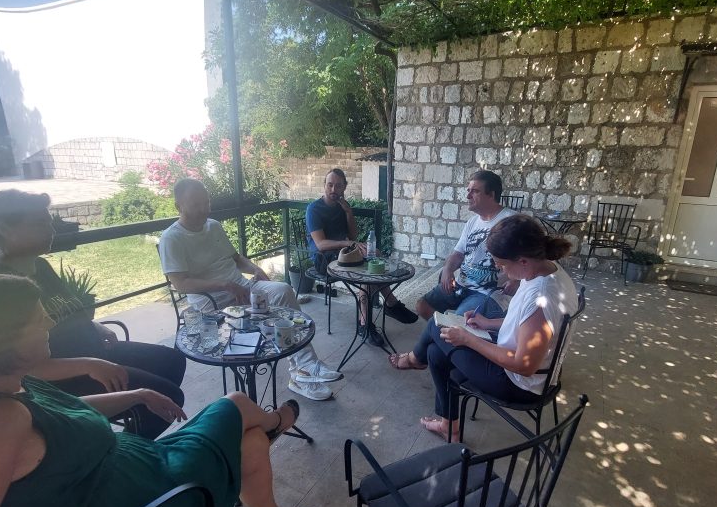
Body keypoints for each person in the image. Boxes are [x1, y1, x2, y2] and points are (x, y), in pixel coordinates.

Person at [0, 274, 323, 507]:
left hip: (140, 474)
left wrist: (136, 395)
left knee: (248, 440)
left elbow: (61, 416)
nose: (49, 322)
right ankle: (274, 423)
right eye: (37, 319)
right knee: (234, 404)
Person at [0, 189, 186, 440]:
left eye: (49, 222)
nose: (51, 230)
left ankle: (125, 430)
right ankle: (116, 448)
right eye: (40, 224)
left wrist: (94, 326)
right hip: (59, 379)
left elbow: (66, 309)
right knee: (171, 395)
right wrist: (90, 365)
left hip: (92, 352)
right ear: (4, 228)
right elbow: (25, 370)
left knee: (172, 361)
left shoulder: (38, 264)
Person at [389, 215, 578, 442]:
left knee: (435, 326)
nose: (499, 269)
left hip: (518, 383)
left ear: (522, 261)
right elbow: (523, 324)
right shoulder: (547, 270)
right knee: (435, 352)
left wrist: (469, 339)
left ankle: (414, 360)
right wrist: (488, 323)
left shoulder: (540, 298)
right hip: (526, 369)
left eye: (502, 264)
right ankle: (449, 426)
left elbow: (524, 365)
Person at [158, 178, 342, 401]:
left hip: (242, 289)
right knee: (263, 321)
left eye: (206, 202)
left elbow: (236, 259)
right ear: (179, 206)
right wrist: (225, 285)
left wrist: (255, 268)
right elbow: (180, 283)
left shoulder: (213, 226)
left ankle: (305, 368)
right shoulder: (172, 238)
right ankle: (294, 378)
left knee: (283, 290)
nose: (204, 209)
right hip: (212, 304)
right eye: (196, 204)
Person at [306, 168, 418, 346]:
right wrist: (348, 243)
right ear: (324, 185)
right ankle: (378, 312)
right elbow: (320, 244)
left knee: (374, 255)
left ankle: (376, 313)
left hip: (343, 253)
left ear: (344, 187)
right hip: (323, 260)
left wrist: (348, 212)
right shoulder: (314, 209)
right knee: (366, 263)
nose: (333, 189)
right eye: (330, 185)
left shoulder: (342, 207)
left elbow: (353, 235)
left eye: (338, 186)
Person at [414, 170, 518, 321]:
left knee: (461, 322)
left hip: (489, 293)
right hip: (461, 285)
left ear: (491, 194)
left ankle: (452, 333)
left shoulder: (512, 221)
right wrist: (448, 270)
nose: (468, 196)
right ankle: (443, 333)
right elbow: (458, 253)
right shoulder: (473, 222)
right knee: (423, 306)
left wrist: (517, 281)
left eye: (475, 191)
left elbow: (534, 256)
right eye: (468, 190)